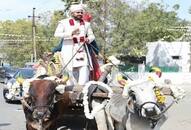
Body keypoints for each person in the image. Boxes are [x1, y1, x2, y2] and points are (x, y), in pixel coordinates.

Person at [54, 4, 96, 86]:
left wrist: (89, 39)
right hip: (69, 51)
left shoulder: (86, 24)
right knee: (69, 72)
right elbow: (57, 34)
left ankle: (81, 88)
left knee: (84, 68)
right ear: (72, 13)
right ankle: (70, 89)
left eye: (81, 12)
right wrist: (71, 33)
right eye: (78, 12)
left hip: (82, 51)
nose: (80, 14)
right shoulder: (64, 22)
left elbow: (92, 36)